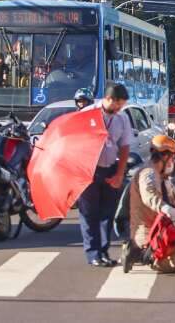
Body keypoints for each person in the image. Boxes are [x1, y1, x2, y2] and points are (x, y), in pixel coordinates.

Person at [78, 83, 133, 267]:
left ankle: (103, 251)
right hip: (89, 170)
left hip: (110, 169)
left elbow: (125, 147)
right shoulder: (87, 114)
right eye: (118, 104)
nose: (120, 109)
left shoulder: (122, 118)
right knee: (89, 213)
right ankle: (92, 253)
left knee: (107, 214)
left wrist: (119, 174)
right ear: (109, 99)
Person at [122, 135, 175, 273]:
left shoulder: (160, 174)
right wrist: (167, 209)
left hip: (157, 228)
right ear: (165, 156)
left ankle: (144, 252)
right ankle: (140, 253)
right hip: (148, 233)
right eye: (172, 157)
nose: (173, 161)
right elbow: (149, 196)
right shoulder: (149, 173)